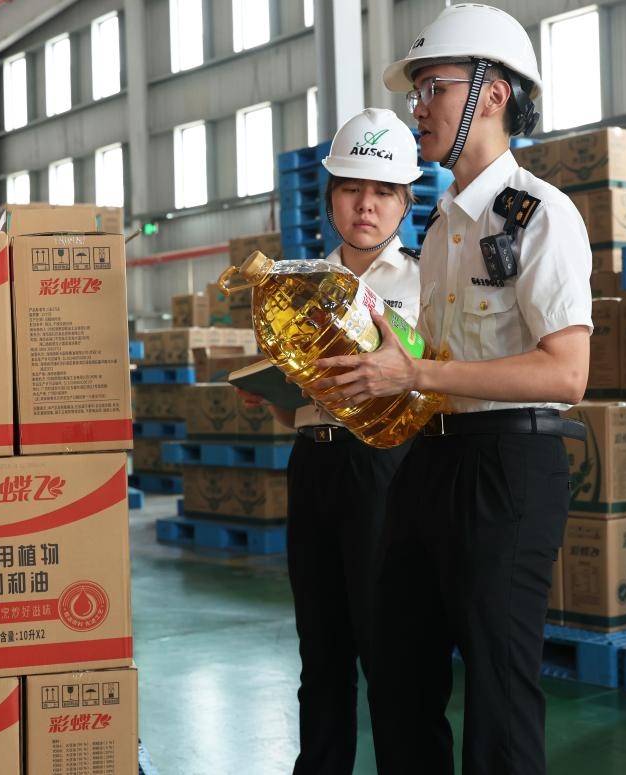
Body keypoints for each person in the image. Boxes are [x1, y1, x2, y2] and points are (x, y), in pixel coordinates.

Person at [312, 5, 593, 774]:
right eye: (417, 91)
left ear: (492, 94)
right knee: (397, 674)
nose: (418, 107)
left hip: (506, 468)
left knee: (497, 693)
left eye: (432, 87)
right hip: (426, 461)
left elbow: (565, 373)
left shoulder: (538, 215)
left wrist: (416, 373)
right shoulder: (441, 229)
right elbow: (431, 360)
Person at [239, 108, 422, 773]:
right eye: (350, 188)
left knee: (390, 650)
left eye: (382, 192)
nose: (365, 205)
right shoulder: (299, 285)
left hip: (387, 469)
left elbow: (433, 384)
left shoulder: (425, 283)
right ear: (331, 198)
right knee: (319, 650)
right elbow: (296, 393)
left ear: (404, 202)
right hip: (312, 461)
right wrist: (271, 392)